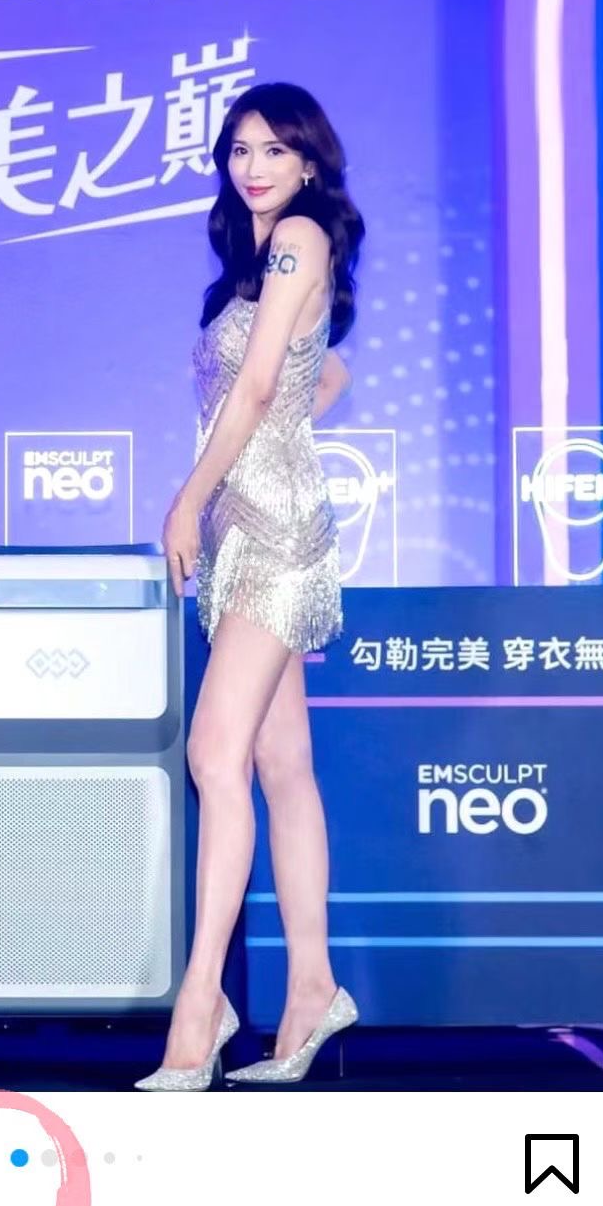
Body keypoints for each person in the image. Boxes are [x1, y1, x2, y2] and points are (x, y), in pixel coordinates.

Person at [136, 82, 364, 1091]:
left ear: (309, 161)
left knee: (212, 754)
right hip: (251, 529)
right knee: (282, 763)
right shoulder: (266, 256)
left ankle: (202, 1006)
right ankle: (311, 988)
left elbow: (264, 383)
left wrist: (188, 499)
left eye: (274, 148)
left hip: (269, 534)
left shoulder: (298, 238)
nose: (253, 165)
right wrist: (262, 458)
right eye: (238, 149)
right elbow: (321, 376)